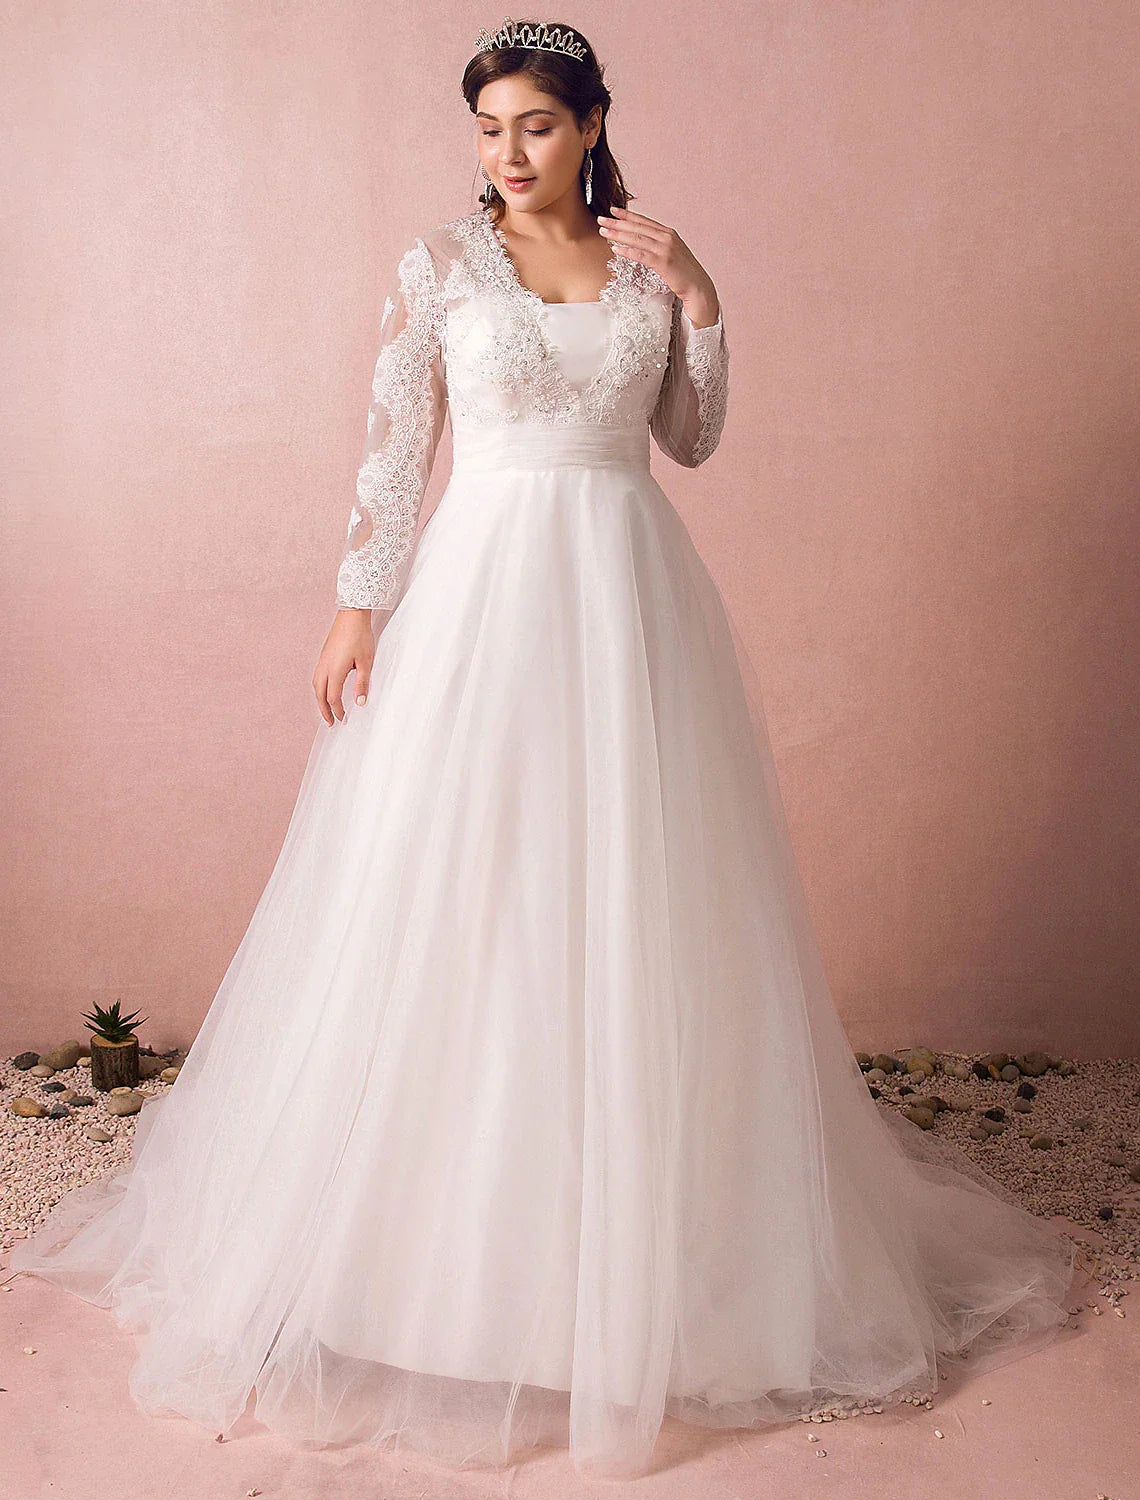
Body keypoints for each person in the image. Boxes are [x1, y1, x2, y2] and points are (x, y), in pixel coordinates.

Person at [10, 16, 1077, 1483]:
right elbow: (397, 443)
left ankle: (645, 1261)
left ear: (589, 127)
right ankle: (432, 1268)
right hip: (485, 598)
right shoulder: (442, 266)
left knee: (640, 902)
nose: (508, 153)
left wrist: (702, 296)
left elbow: (690, 439)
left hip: (630, 596)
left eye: (535, 125)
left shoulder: (643, 266)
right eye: (488, 128)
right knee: (470, 895)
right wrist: (358, 604)